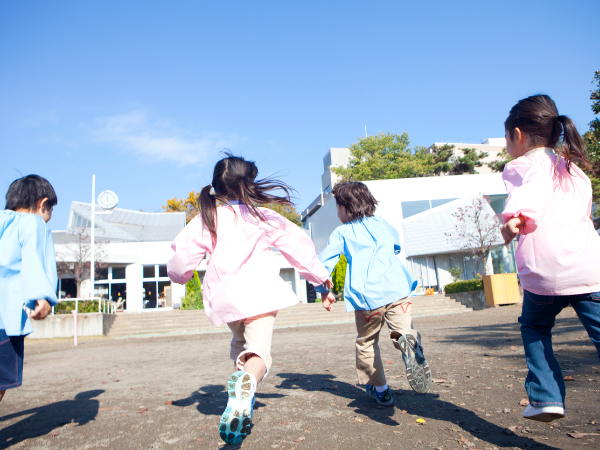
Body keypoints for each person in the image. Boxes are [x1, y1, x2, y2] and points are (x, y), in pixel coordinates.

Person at [167, 154, 331, 445]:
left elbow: (181, 259)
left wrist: (180, 277)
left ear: (217, 187)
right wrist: (320, 280)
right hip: (260, 296)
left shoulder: (206, 218)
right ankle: (247, 384)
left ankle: (240, 403)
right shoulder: (262, 217)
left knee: (240, 348)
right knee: (259, 355)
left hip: (228, 302)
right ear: (248, 186)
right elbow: (299, 247)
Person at [500, 94, 600, 423]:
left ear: (518, 135)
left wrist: (517, 217)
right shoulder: (575, 171)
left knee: (534, 326)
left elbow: (536, 188)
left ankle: (545, 397)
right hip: (588, 269)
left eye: (506, 138)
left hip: (545, 275)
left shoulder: (527, 166)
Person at [315, 181, 432, 406]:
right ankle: (407, 340)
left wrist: (324, 291)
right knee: (402, 329)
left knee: (367, 342)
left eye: (337, 208)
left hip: (368, 297)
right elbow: (395, 246)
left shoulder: (342, 232)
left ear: (345, 208)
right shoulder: (381, 223)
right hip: (398, 290)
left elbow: (322, 264)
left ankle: (381, 389)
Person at [0, 175, 59, 403]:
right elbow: (33, 260)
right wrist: (42, 297)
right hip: (5, 319)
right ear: (43, 204)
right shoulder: (32, 223)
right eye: (50, 212)